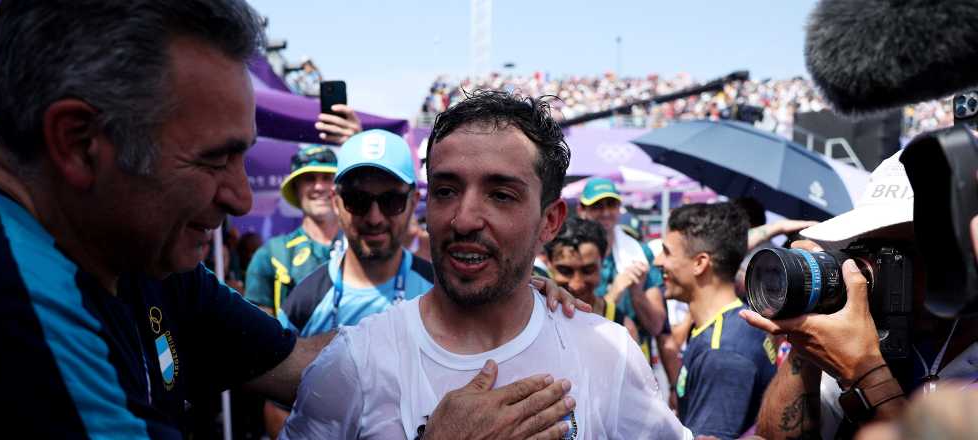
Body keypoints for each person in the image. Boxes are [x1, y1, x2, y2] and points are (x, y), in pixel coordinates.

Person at [0, 2, 589, 438]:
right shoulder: (6, 303)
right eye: (215, 159)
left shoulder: (140, 254)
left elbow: (308, 363)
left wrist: (491, 308)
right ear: (77, 142)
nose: (239, 196)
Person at [281, 90, 691, 439]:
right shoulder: (354, 364)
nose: (464, 219)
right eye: (446, 190)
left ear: (550, 221)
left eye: (501, 195)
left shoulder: (607, 353)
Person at [743, 151, 978, 439]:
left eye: (898, 255)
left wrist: (869, 375)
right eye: (869, 248)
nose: (874, 268)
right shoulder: (865, 338)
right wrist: (806, 339)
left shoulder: (863, 356)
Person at [282, 129, 433, 335]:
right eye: (357, 200)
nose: (374, 218)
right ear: (336, 202)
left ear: (413, 202)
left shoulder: (440, 292)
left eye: (391, 201)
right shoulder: (304, 303)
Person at [654, 202, 777, 439]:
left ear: (700, 263)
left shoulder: (721, 353)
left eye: (667, 252)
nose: (659, 261)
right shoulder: (733, 320)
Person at [245, 145, 342, 316]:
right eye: (309, 179)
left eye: (327, 177)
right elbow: (257, 334)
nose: (319, 186)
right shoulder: (271, 254)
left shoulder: (362, 246)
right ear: (296, 189)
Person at [577, 177, 667, 336]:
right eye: (597, 206)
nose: (605, 213)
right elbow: (574, 324)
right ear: (581, 210)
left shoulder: (640, 252)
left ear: (619, 208)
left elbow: (656, 327)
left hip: (633, 354)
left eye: (611, 205)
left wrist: (637, 293)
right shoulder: (570, 255)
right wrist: (615, 293)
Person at [546, 217, 639, 340]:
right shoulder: (532, 316)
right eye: (565, 271)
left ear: (602, 264)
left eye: (588, 270)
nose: (576, 284)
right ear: (549, 265)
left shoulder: (623, 329)